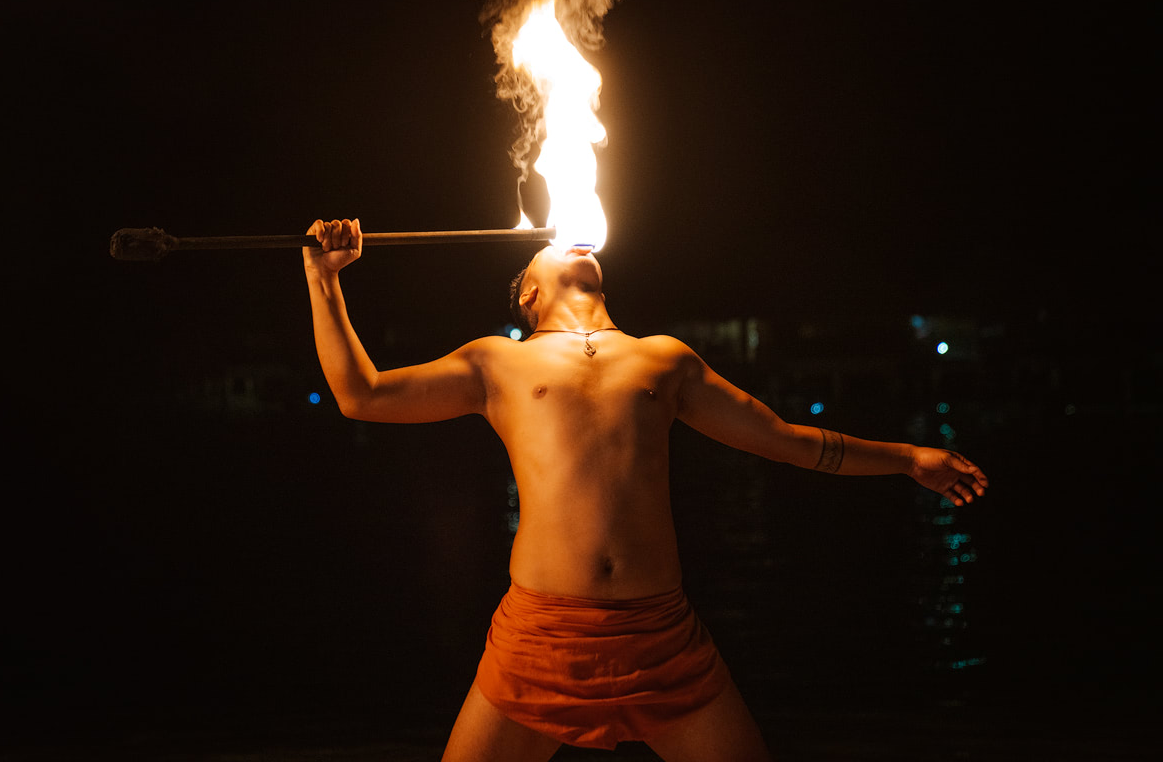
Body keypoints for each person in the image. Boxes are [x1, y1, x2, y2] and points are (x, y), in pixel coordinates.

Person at [303, 218, 988, 762]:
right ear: (529, 295)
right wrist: (324, 278)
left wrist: (907, 459)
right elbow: (360, 396)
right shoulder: (497, 362)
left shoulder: (665, 358)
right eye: (545, 247)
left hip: (662, 639)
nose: (562, 239)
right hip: (541, 637)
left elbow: (786, 440)